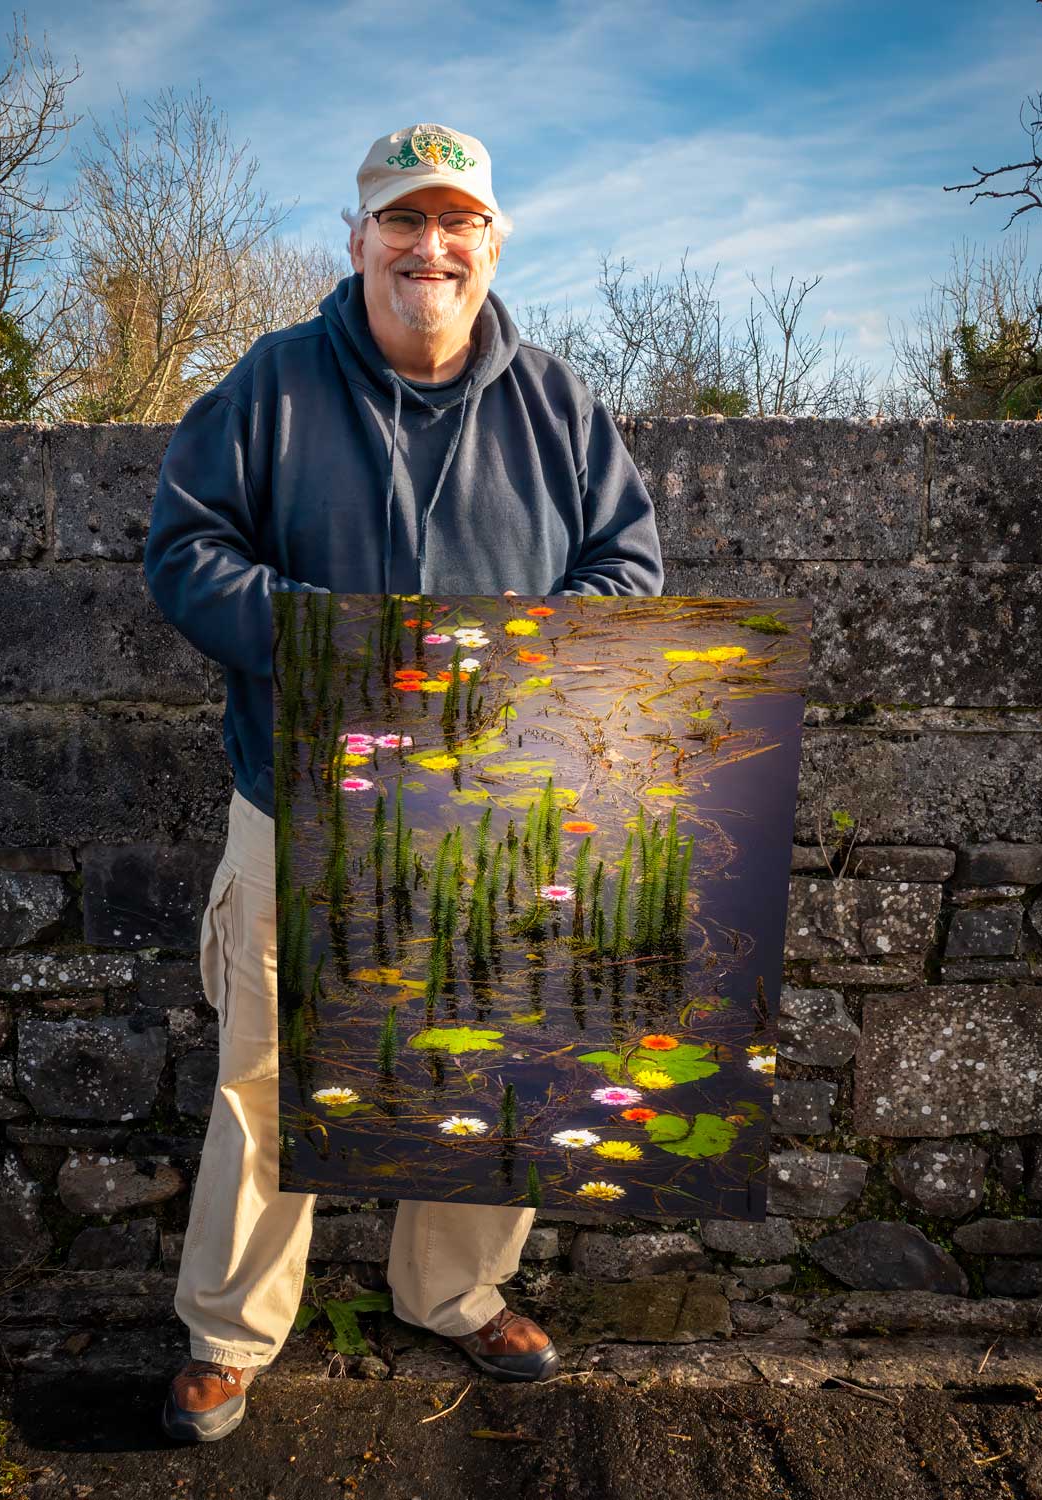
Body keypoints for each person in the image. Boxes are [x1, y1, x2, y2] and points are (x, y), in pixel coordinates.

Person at [144, 120, 664, 1443]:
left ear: (493, 239)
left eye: (457, 222)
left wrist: (518, 659)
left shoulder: (555, 400)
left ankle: (454, 1290)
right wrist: (334, 647)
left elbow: (628, 568)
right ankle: (231, 1331)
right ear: (360, 235)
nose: (430, 247)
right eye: (402, 221)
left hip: (494, 816)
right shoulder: (267, 385)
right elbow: (185, 553)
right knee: (267, 1085)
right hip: (301, 801)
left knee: (489, 1069)